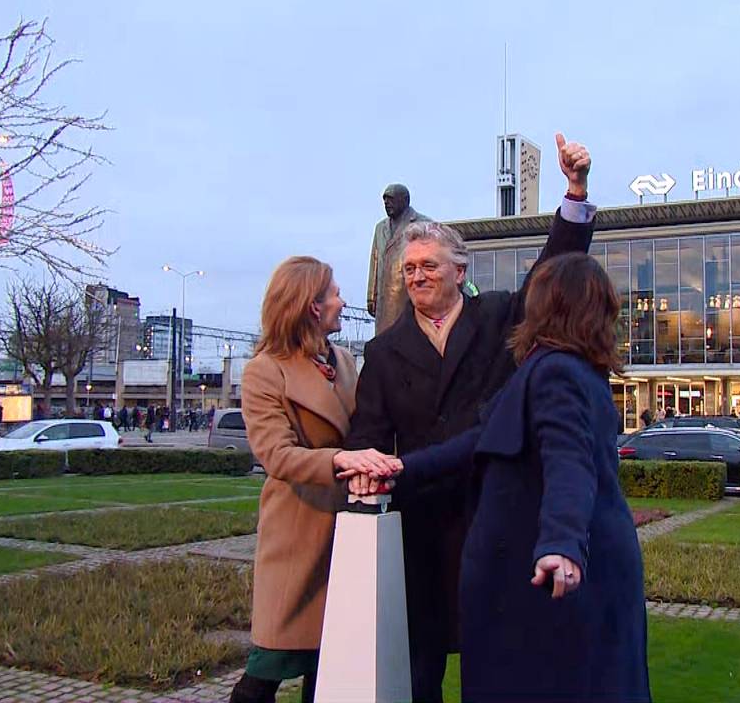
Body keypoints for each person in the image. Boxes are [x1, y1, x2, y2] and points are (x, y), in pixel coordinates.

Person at [345, 133, 596, 702]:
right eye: (408, 269)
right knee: (418, 671)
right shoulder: (383, 353)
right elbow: (367, 436)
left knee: (499, 673)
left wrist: (575, 194)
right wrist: (365, 471)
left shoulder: (501, 318)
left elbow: (552, 273)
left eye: (428, 265)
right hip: (420, 535)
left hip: (495, 521)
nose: (416, 277)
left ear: (461, 270)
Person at [345, 253, 650, 702]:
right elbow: (479, 439)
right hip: (567, 573)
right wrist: (401, 471)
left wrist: (560, 542)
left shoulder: (556, 374)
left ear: (548, 306)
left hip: (548, 578)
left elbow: (570, 464)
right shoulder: (556, 369)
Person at [228, 256, 398, 703]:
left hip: (348, 530)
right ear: (311, 307)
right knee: (267, 668)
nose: (343, 302)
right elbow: (277, 455)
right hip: (298, 533)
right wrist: (344, 460)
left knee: (331, 666)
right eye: (334, 293)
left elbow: (365, 426)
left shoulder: (343, 361)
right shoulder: (265, 371)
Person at [367, 183, 435, 335]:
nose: (386, 203)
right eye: (384, 200)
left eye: (390, 199)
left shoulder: (424, 224)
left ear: (405, 200)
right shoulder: (380, 228)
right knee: (384, 344)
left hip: (409, 296)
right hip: (384, 300)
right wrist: (371, 296)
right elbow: (375, 260)